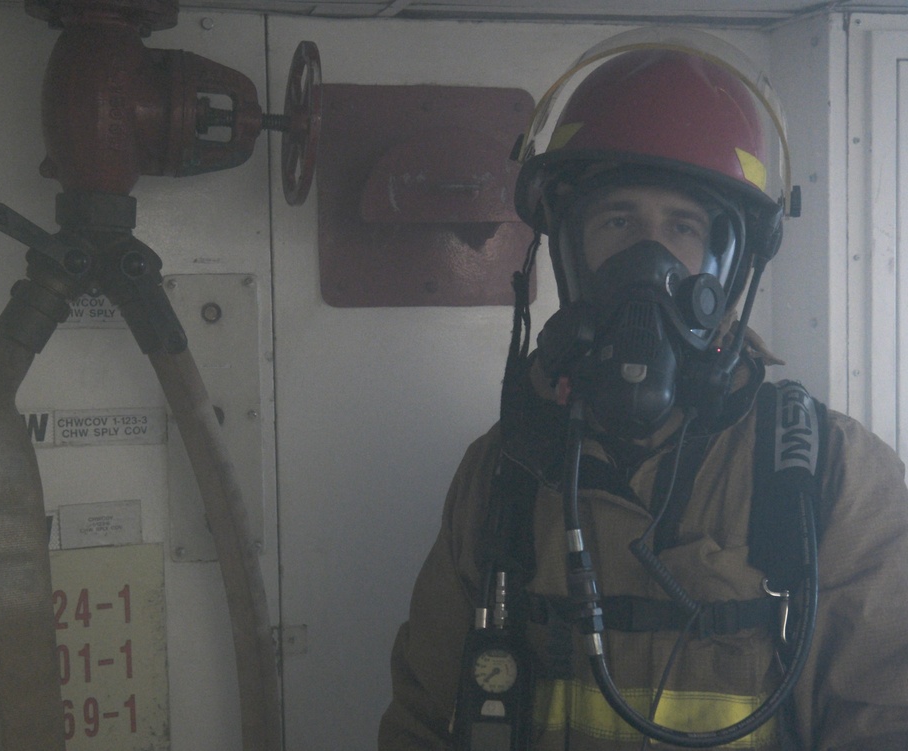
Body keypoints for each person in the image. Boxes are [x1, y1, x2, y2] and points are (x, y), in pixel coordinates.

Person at [378, 27, 908, 751]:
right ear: (569, 250)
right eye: (617, 221)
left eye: (683, 229)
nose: (645, 264)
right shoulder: (505, 469)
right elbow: (422, 720)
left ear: (731, 269)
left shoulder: (831, 477)